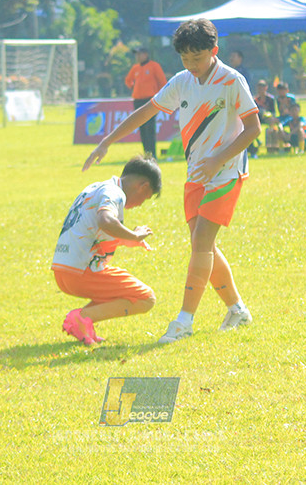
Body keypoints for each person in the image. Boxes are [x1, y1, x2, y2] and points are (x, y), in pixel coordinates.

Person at [83, 18, 260, 344]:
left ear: (213, 51)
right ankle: (236, 308)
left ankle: (184, 321)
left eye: (197, 58)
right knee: (201, 246)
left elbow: (253, 129)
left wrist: (219, 158)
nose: (191, 65)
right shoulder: (182, 81)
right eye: (185, 59)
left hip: (226, 172)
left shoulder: (232, 81)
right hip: (196, 175)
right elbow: (146, 112)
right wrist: (108, 140)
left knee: (202, 243)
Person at [53, 155, 161, 345]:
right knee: (145, 298)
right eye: (146, 197)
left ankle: (84, 325)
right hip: (82, 271)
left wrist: (128, 240)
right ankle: (81, 318)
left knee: (124, 288)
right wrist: (134, 236)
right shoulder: (115, 193)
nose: (140, 204)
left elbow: (93, 230)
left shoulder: (94, 188)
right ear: (143, 186)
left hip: (64, 269)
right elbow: (105, 220)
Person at [124, 48, 167, 158]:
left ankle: (152, 154)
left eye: (139, 54)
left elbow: (162, 82)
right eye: (136, 54)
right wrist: (133, 87)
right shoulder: (136, 68)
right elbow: (128, 80)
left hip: (150, 100)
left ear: (146, 54)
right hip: (138, 100)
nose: (137, 56)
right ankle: (146, 154)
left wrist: (160, 96)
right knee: (142, 127)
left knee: (150, 127)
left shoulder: (154, 66)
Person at [251, 79, 277, 158]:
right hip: (258, 117)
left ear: (266, 88)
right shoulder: (255, 100)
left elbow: (273, 112)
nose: (261, 89)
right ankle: (256, 141)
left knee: (271, 121)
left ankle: (270, 145)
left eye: (262, 87)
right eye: (259, 88)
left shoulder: (270, 99)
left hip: (267, 117)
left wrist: (267, 114)